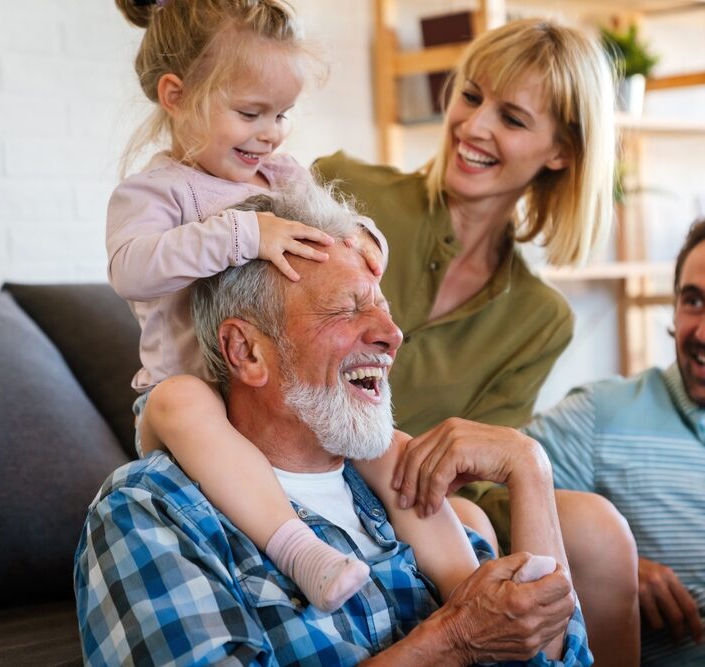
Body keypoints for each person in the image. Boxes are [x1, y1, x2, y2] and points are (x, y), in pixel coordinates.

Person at [75, 182, 591, 666]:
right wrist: (453, 640)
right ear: (247, 351)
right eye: (347, 310)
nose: (393, 335)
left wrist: (530, 469)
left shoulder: (402, 488)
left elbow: (544, 652)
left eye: (385, 311)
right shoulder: (151, 511)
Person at [109, 0, 482, 614]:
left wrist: (363, 239)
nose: (270, 132)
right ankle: (300, 552)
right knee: (181, 398)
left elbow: (333, 226)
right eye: (250, 113)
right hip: (190, 400)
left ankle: (473, 587)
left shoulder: (280, 176)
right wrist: (245, 236)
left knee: (391, 449)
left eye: (281, 114)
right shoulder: (157, 192)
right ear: (176, 95)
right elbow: (130, 267)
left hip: (276, 400)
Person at [314, 18, 639, 664]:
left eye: (512, 118)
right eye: (470, 96)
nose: (473, 126)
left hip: (421, 497)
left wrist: (524, 470)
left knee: (596, 528)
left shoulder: (540, 318)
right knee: (471, 525)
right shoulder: (347, 192)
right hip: (315, 466)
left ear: (560, 152)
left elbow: (479, 464)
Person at [519, 218, 705, 667]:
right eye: (693, 301)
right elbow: (481, 500)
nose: (701, 333)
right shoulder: (601, 415)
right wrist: (611, 568)